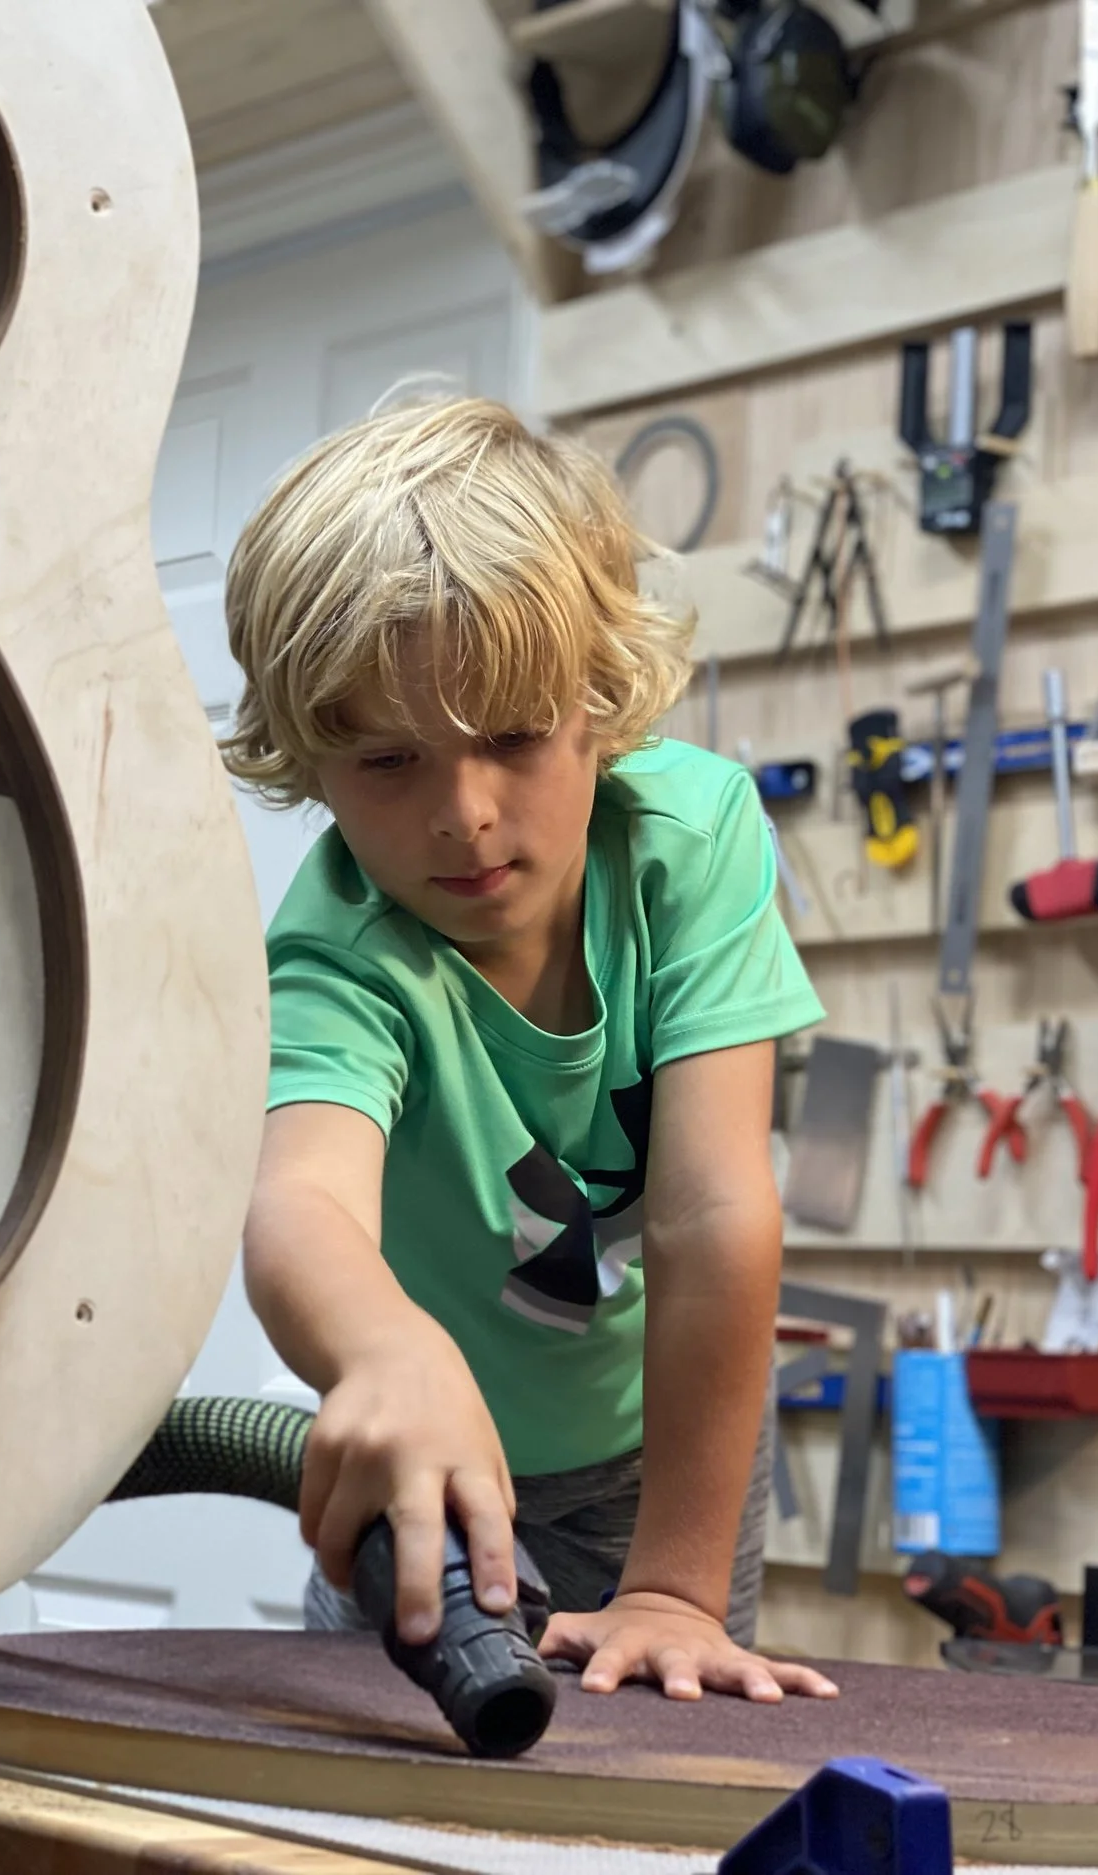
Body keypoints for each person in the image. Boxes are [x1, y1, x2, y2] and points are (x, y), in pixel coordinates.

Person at [222, 394, 836, 1705]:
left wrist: (674, 1582)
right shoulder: (343, 948)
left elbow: (716, 1211)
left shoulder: (694, 836)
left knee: (662, 1763)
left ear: (595, 708)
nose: (466, 814)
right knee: (386, 1785)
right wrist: (391, 1355)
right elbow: (301, 1202)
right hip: (420, 1459)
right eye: (388, 758)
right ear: (309, 765)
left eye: (510, 737)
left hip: (657, 1458)